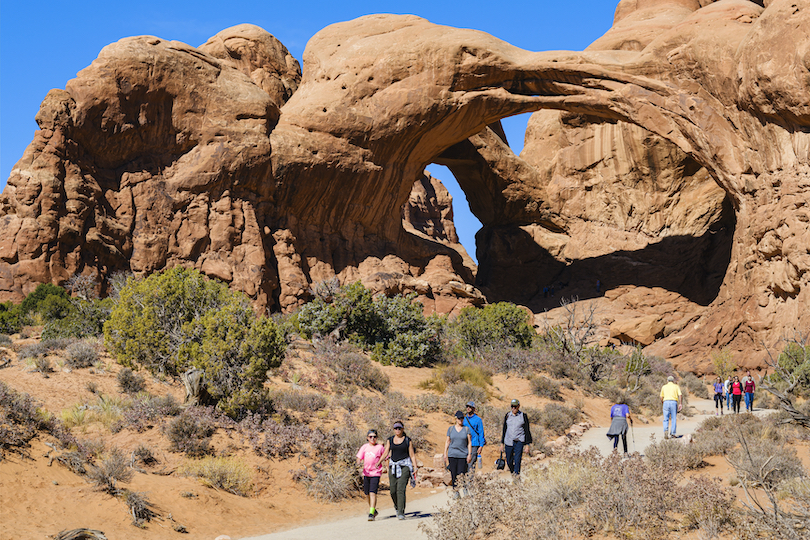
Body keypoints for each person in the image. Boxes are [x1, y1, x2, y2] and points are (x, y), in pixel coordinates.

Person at [376, 420, 418, 520]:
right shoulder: (390, 440)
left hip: (405, 466)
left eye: (399, 428)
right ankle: (397, 506)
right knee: (393, 490)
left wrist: (415, 467)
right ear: (393, 429)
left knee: (400, 489)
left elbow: (412, 455)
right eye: (396, 428)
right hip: (393, 466)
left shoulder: (408, 440)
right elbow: (386, 452)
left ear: (403, 429)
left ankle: (401, 512)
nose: (397, 430)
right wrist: (379, 462)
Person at [356, 429, 385, 521]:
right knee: (367, 493)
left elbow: (385, 457)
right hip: (366, 473)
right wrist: (358, 462)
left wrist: (387, 467)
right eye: (370, 437)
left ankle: (371, 513)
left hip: (376, 473)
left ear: (377, 437)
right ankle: (373, 510)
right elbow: (359, 457)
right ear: (367, 438)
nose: (372, 438)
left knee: (373, 493)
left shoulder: (380, 447)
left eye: (374, 437)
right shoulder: (364, 447)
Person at [500, 399, 532, 475]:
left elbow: (527, 430)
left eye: (515, 406)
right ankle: (513, 472)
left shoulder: (523, 416)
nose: (513, 408)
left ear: (518, 406)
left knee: (517, 460)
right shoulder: (508, 415)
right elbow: (504, 429)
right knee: (509, 460)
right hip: (508, 441)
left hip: (519, 441)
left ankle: (516, 476)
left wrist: (527, 445)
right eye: (512, 406)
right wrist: (502, 443)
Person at [444, 411, 472, 494]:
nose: (461, 420)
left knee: (461, 474)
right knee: (453, 474)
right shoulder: (451, 429)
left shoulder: (466, 429)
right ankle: (456, 492)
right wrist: (445, 452)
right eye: (459, 418)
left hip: (463, 455)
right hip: (452, 454)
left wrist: (469, 454)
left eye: (462, 418)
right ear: (456, 419)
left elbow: (469, 442)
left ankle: (464, 489)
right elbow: (448, 441)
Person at [463, 401, 486, 473]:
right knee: (463, 464)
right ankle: (462, 482)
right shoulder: (464, 419)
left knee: (471, 464)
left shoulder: (478, 420)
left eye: (470, 407)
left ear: (473, 408)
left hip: (474, 444)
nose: (468, 408)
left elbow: (481, 433)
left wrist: (481, 446)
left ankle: (470, 482)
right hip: (464, 444)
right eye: (467, 407)